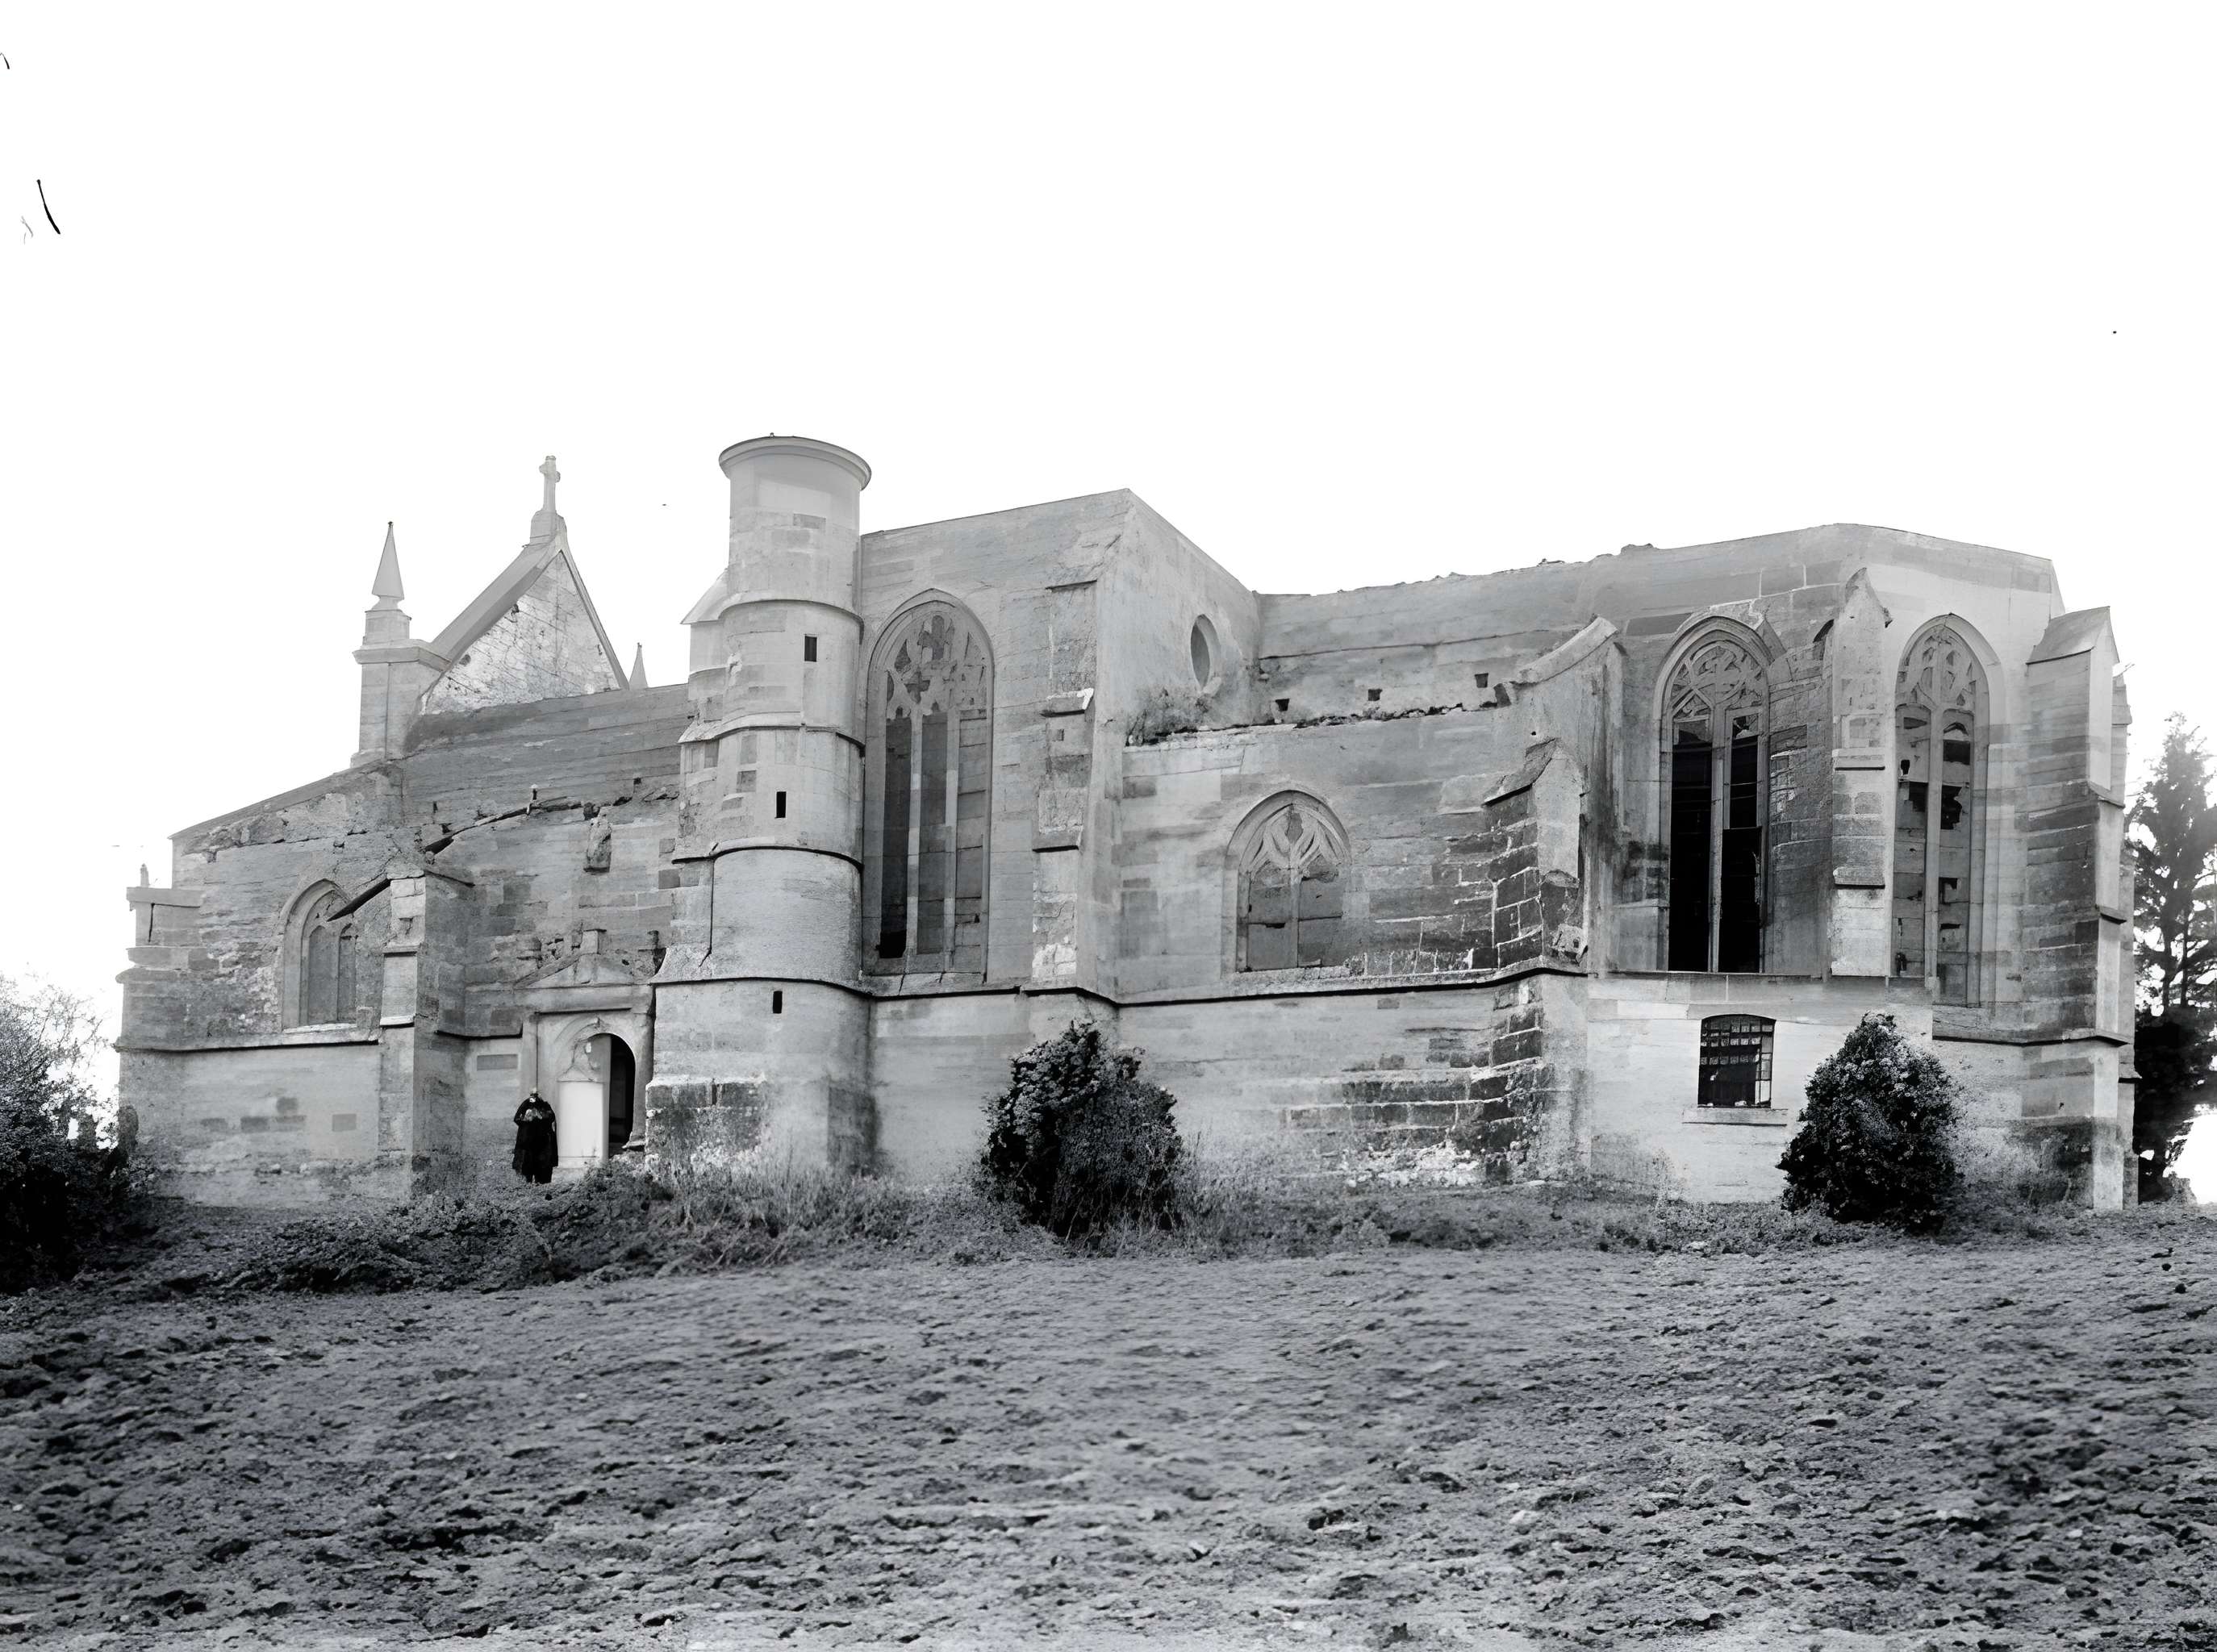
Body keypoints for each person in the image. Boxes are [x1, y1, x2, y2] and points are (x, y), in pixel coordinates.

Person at [512, 1091, 557, 1184]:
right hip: (529, 1141)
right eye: (533, 1096)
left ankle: (538, 1181)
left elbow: (551, 1117)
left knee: (541, 1163)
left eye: (536, 1096)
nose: (535, 1098)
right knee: (528, 1163)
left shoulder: (544, 1106)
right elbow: (517, 1119)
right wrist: (528, 1119)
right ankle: (529, 1181)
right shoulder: (526, 1105)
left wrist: (540, 1118)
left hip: (541, 1141)